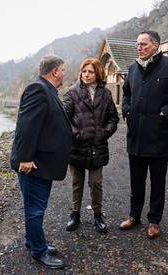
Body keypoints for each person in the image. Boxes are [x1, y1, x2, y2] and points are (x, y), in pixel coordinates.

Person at [10, 55, 72, 269]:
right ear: (54, 71)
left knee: (34, 207)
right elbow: (26, 126)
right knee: (35, 209)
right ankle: (39, 251)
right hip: (34, 164)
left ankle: (32, 241)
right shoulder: (38, 89)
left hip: (41, 163)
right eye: (63, 70)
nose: (65, 73)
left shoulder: (48, 90)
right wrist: (25, 158)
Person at [120, 31, 168, 239]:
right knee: (136, 180)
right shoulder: (132, 68)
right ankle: (134, 215)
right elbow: (125, 94)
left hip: (159, 136)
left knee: (157, 182)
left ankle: (154, 220)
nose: (139, 48)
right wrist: (126, 109)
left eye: (144, 44)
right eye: (138, 44)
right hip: (136, 134)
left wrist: (167, 112)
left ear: (155, 46)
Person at [63, 58, 119, 234]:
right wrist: (76, 134)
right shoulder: (72, 92)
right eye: (84, 71)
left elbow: (113, 118)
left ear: (98, 74)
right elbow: (63, 118)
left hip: (98, 146)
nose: (86, 75)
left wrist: (105, 133)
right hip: (77, 146)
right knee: (77, 183)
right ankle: (75, 215)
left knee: (96, 183)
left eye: (91, 72)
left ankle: (97, 215)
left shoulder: (106, 94)